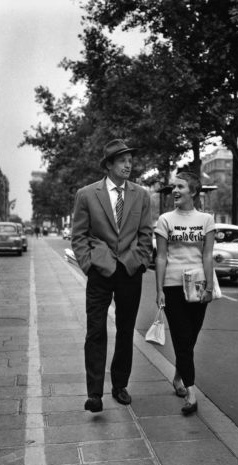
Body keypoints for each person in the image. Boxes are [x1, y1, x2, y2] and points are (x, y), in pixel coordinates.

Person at [72, 138, 152, 413]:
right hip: (100, 270)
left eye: (130, 161)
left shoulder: (141, 195)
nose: (128, 165)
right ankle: (94, 393)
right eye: (122, 161)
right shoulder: (86, 194)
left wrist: (139, 261)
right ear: (108, 165)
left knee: (126, 330)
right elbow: (79, 235)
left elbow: (146, 234)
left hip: (129, 271)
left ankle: (120, 385)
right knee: (95, 330)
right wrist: (88, 264)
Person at [155, 171, 215, 416]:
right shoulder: (165, 220)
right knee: (181, 337)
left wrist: (210, 287)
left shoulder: (206, 220)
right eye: (173, 187)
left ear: (193, 192)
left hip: (198, 284)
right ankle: (191, 392)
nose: (175, 191)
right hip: (171, 285)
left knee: (190, 338)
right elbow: (160, 256)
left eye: (180, 187)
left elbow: (207, 255)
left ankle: (178, 377)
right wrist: (158, 289)